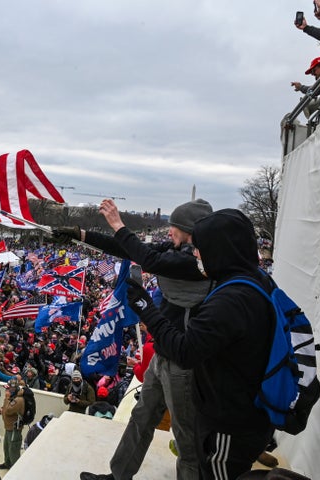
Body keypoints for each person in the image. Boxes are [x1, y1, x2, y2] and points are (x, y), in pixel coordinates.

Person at [58, 198, 213, 480]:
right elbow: (129, 249)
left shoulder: (198, 261)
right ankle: (118, 476)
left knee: (187, 440)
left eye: (174, 227)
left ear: (190, 231)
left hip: (184, 362)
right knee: (141, 418)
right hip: (164, 354)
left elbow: (149, 259)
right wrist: (80, 235)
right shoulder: (179, 250)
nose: (169, 233)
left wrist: (118, 223)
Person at [124, 209, 276, 479]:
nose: (195, 254)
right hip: (240, 414)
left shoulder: (231, 299)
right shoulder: (255, 280)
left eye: (200, 248)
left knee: (199, 461)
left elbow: (184, 352)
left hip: (230, 423)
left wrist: (146, 307)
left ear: (220, 249)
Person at [0, 378, 25, 470]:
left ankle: (15, 469)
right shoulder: (13, 398)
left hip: (14, 430)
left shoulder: (18, 400)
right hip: (8, 427)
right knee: (7, 447)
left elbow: (8, 410)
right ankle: (7, 463)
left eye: (8, 389)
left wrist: (6, 398)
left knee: (13, 450)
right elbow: (6, 407)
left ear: (12, 390)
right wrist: (2, 408)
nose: (6, 391)